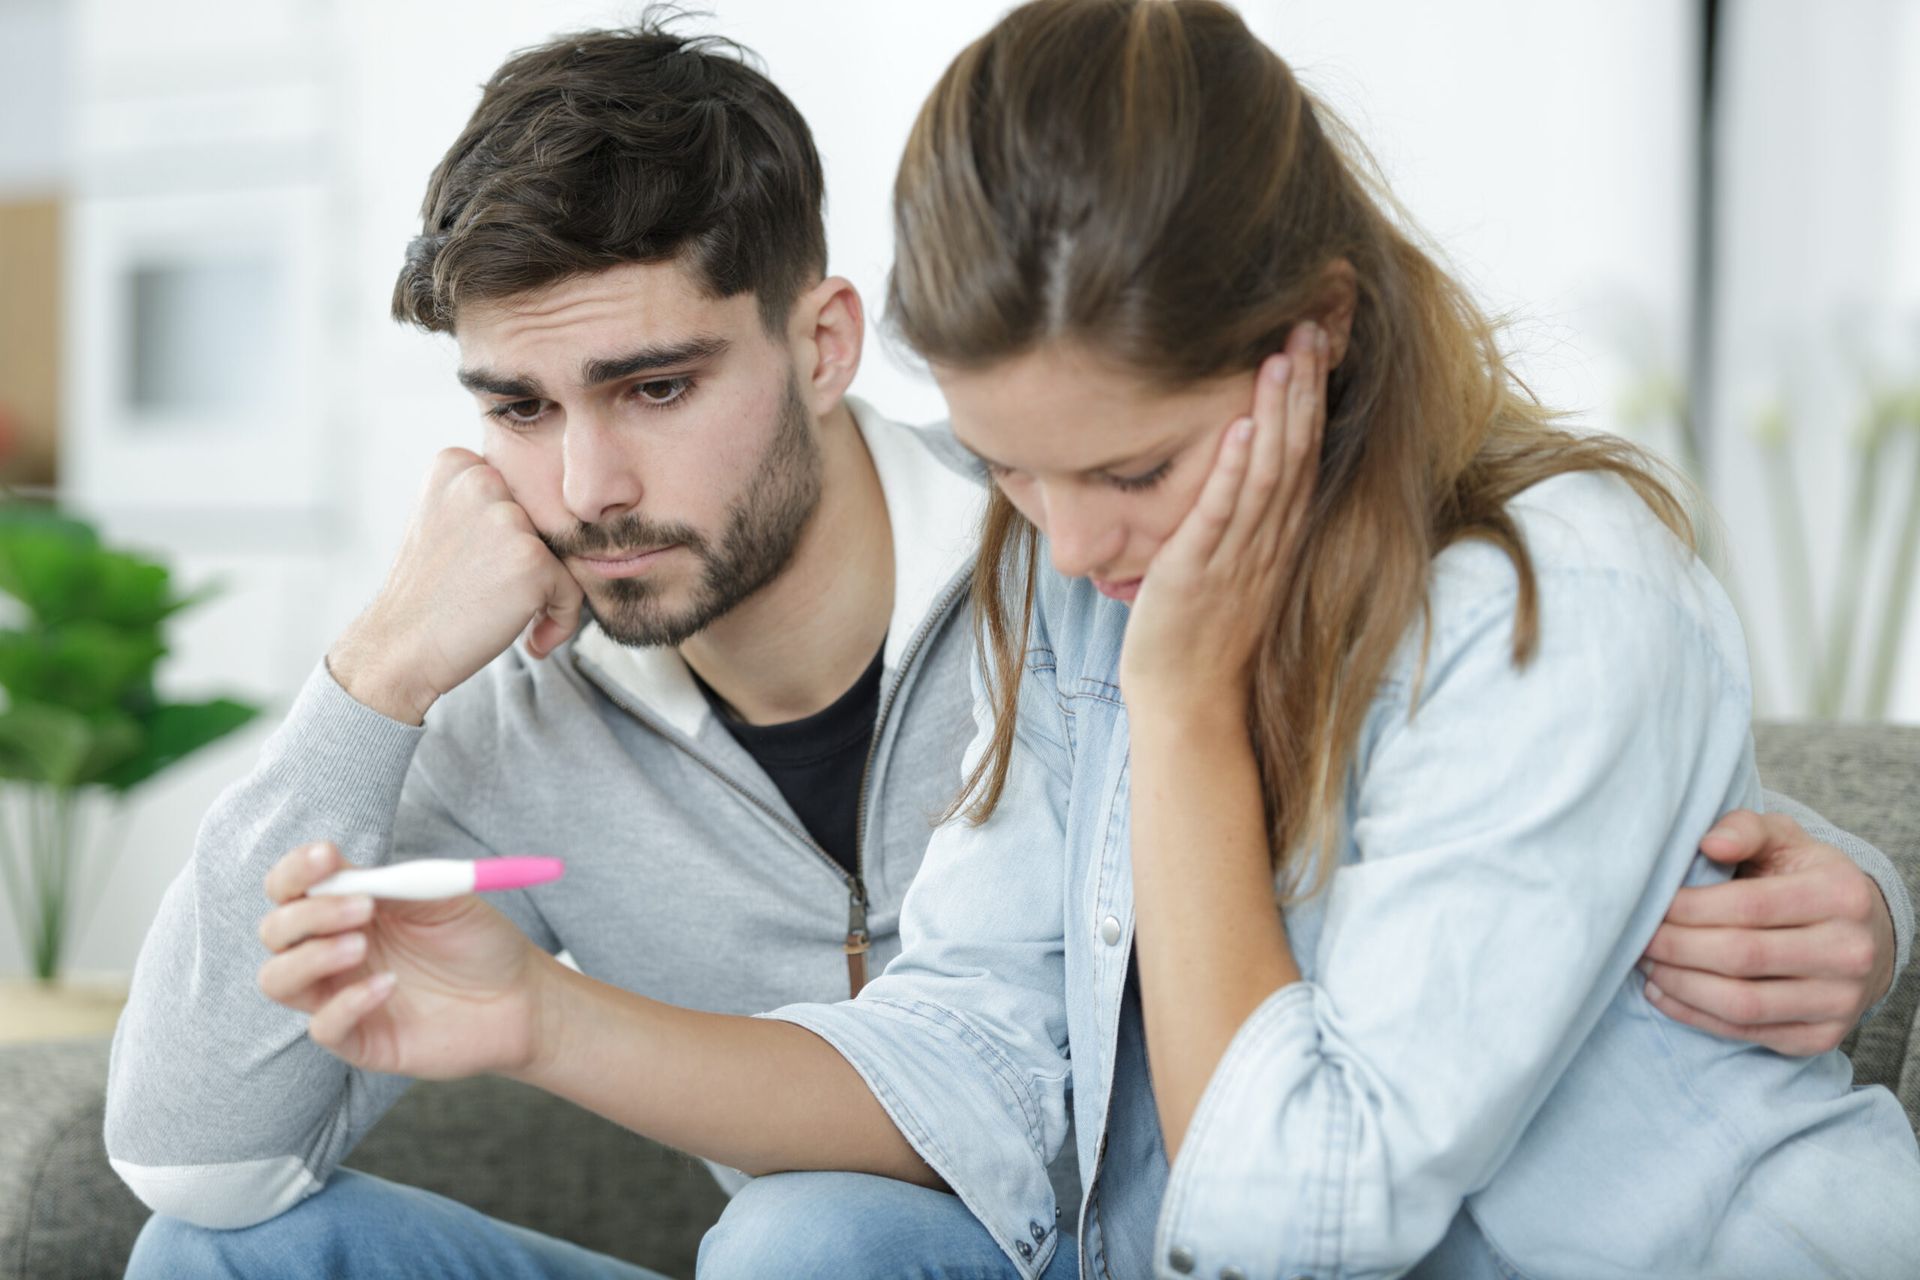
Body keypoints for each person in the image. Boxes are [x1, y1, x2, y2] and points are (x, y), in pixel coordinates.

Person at [109, 9, 1910, 1279]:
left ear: (824, 346)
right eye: (517, 408)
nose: (587, 484)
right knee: (234, 1250)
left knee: (817, 1240)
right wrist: (409, 756)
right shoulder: (1067, 567)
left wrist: (1863, 878)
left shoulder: (1350, 590)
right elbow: (983, 1040)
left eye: (656, 387)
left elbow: (1281, 1202)